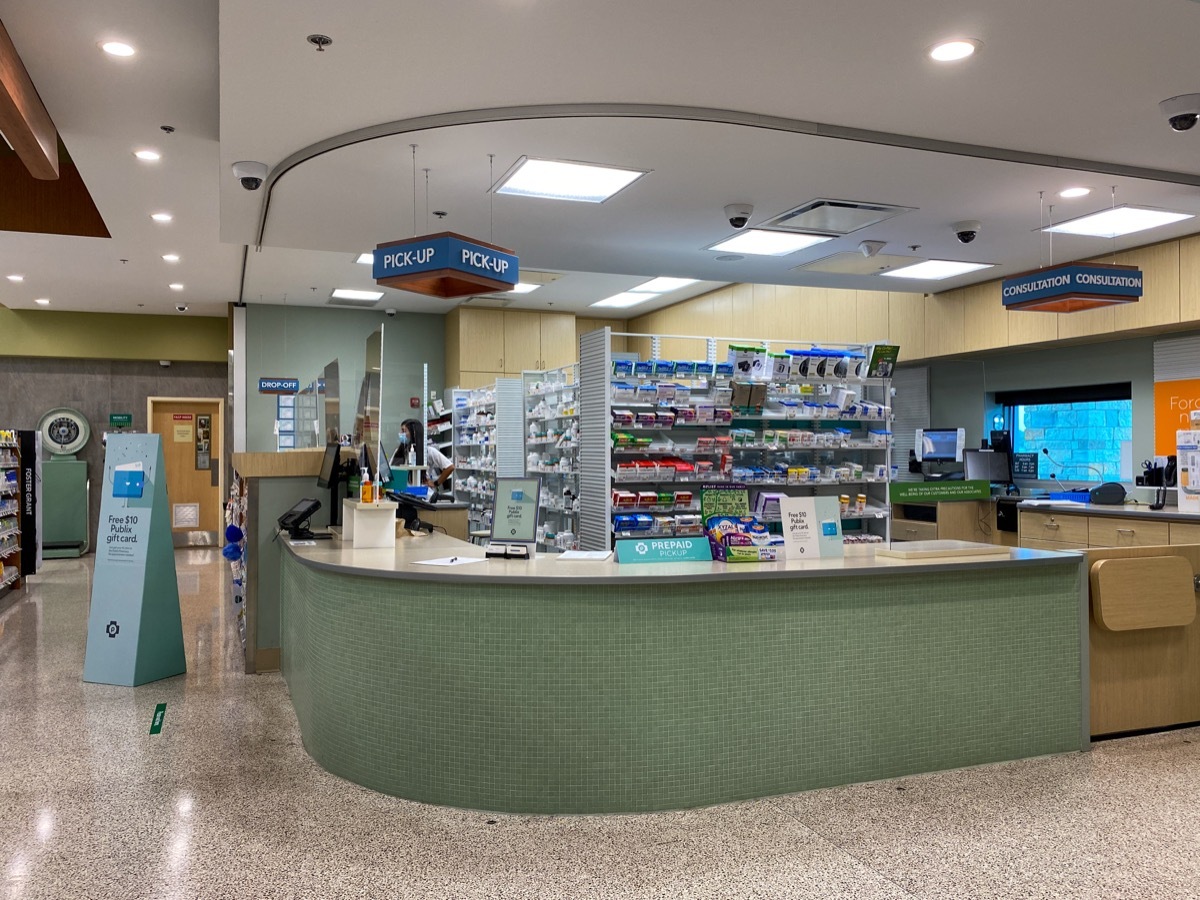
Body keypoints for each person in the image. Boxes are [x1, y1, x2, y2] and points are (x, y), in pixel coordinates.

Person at [395, 418, 454, 493]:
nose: (400, 434)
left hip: (423, 493)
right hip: (405, 492)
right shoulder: (400, 451)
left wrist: (436, 483)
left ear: (414, 433)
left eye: (404, 431)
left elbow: (450, 467)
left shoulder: (428, 451)